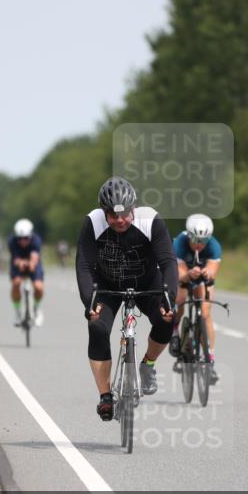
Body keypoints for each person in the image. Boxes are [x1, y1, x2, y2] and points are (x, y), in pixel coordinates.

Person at [76, 176, 178, 421]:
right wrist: (89, 301)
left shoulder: (150, 220)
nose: (120, 220)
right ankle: (105, 396)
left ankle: (148, 363)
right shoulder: (93, 222)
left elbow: (168, 262)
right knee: (97, 326)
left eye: (124, 214)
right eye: (113, 215)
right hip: (107, 285)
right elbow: (84, 265)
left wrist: (170, 298)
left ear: (134, 208)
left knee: (167, 318)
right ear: (104, 212)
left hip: (147, 282)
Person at [169, 214, 222, 383]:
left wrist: (208, 272)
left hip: (202, 279)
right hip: (184, 275)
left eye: (203, 240)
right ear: (189, 236)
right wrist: (188, 274)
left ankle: (209, 360)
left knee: (205, 313)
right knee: (179, 299)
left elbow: (213, 269)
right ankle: (175, 332)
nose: (199, 244)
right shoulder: (179, 243)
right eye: (195, 240)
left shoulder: (213, 246)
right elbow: (179, 273)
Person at [9, 218, 45, 326]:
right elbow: (15, 258)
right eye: (19, 238)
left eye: (25, 238)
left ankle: (36, 309)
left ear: (30, 236)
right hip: (18, 262)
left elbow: (34, 258)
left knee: (38, 287)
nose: (22, 241)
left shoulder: (36, 240)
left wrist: (30, 265)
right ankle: (17, 312)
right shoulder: (12, 241)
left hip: (33, 262)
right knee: (16, 283)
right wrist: (20, 263)